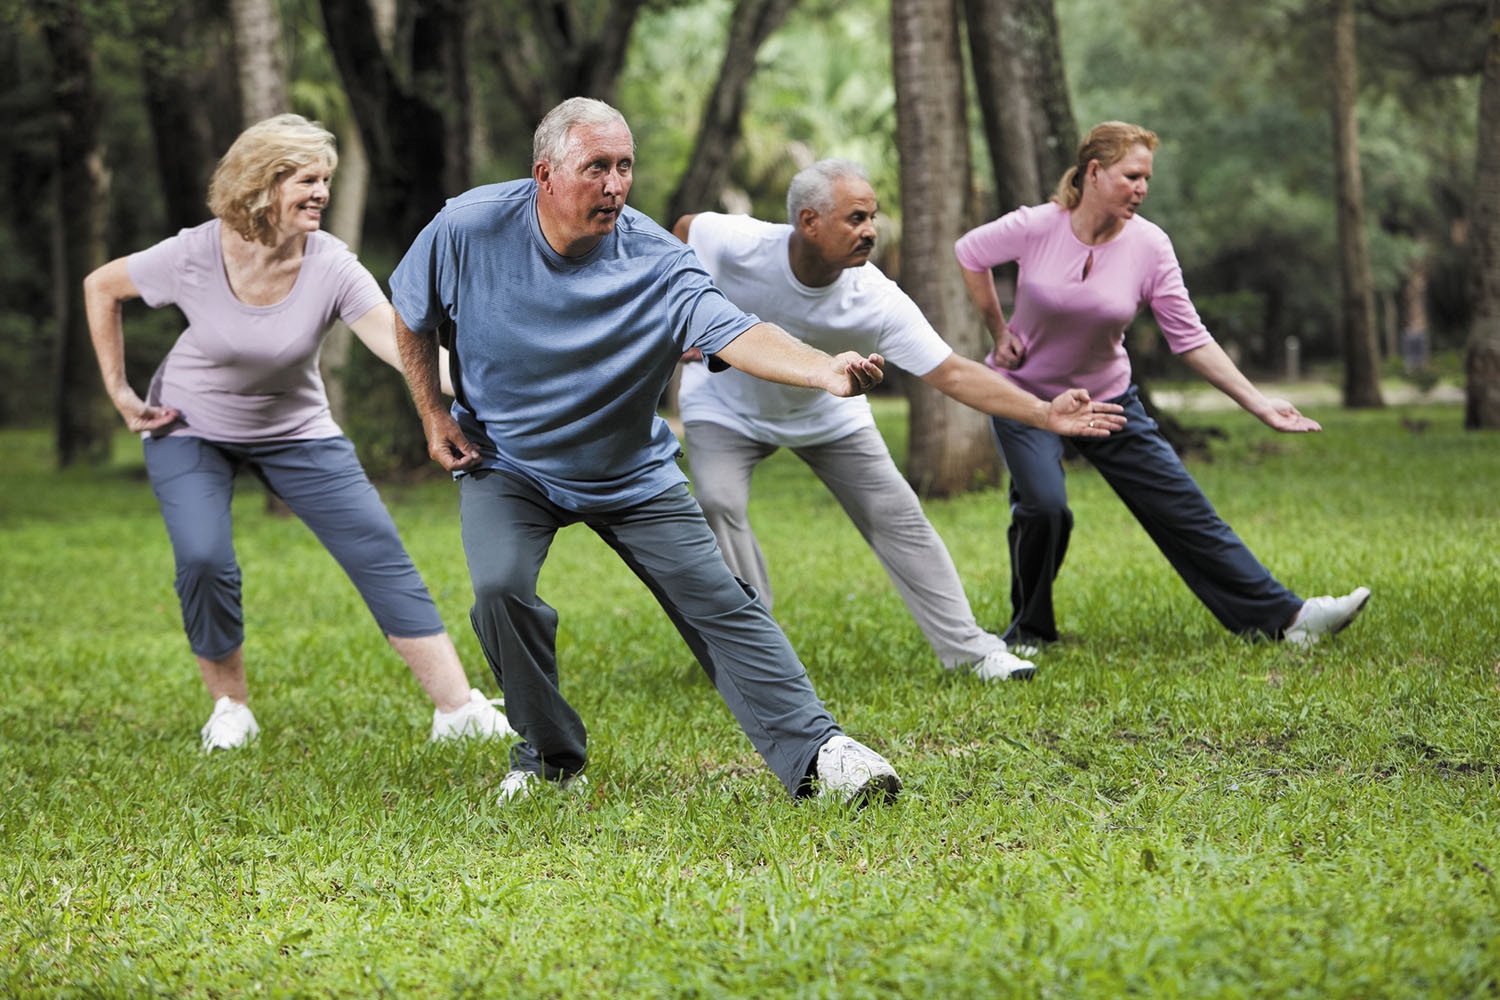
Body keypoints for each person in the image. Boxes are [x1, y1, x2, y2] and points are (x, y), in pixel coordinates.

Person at [389, 98, 902, 804]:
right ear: (543, 173)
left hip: (628, 470)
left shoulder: (658, 260)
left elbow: (736, 329)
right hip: (506, 459)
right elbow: (409, 312)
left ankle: (821, 752)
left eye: (625, 166)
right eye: (596, 166)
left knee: (722, 602)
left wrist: (823, 369)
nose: (616, 184)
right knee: (499, 590)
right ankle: (548, 759)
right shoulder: (468, 228)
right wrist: (431, 412)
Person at [83, 114, 514, 751]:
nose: (321, 192)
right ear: (262, 183)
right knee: (204, 558)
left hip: (295, 427)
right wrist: (120, 391)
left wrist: (498, 384)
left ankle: (457, 708)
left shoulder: (332, 265)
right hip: (189, 424)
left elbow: (401, 346)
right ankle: (230, 707)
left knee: (379, 551)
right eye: (306, 179)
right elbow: (102, 286)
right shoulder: (195, 252)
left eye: (326, 181)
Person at [670, 160, 1127, 683]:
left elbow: (953, 373)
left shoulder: (875, 298)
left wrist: (1044, 412)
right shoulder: (740, 241)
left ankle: (973, 651)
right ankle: (754, 653)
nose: (871, 231)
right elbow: (686, 228)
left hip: (829, 413)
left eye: (874, 217)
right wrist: (686, 313)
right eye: (856, 218)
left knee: (901, 518)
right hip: (726, 405)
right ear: (809, 221)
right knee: (718, 502)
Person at [953, 121, 1370, 652]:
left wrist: (1260, 404)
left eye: (1147, 178)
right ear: (1095, 172)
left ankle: (1289, 619)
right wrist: (999, 329)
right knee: (1043, 507)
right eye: (1132, 176)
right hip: (1026, 397)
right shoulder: (1037, 226)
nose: (1142, 189)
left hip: (1108, 399)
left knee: (1184, 509)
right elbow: (970, 253)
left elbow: (1190, 338)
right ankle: (1030, 630)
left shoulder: (1149, 246)